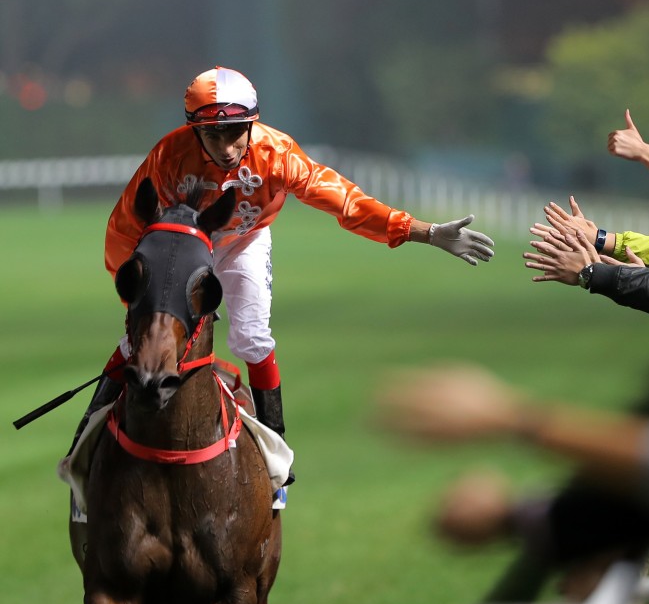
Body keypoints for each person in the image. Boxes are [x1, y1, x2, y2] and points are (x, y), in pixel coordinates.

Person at [73, 65, 495, 512]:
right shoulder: (168, 156)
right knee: (142, 340)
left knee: (252, 338)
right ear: (194, 131)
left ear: (252, 125)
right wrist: (137, 298)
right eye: (213, 135)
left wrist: (424, 231)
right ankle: (85, 448)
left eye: (236, 132)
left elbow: (347, 203)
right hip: (187, 246)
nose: (227, 147)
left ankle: (275, 458)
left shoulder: (278, 154)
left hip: (246, 241)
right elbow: (124, 229)